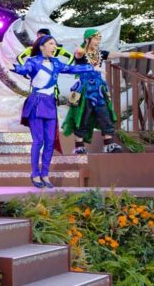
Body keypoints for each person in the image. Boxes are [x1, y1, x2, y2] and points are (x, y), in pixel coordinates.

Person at [11, 35, 95, 187]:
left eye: (55, 44)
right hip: (36, 103)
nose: (54, 46)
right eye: (51, 44)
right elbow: (26, 69)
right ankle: (35, 174)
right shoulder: (33, 61)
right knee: (38, 141)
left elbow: (71, 68)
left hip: (50, 103)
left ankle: (45, 174)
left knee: (50, 141)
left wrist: (90, 67)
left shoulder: (56, 62)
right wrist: (19, 69)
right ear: (41, 46)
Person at [61, 28, 154, 154]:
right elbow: (78, 53)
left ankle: (109, 144)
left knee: (105, 116)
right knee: (82, 116)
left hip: (99, 91)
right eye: (96, 39)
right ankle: (79, 147)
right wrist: (81, 49)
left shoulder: (101, 54)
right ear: (88, 39)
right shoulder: (81, 54)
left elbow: (122, 54)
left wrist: (142, 55)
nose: (98, 41)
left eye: (99, 39)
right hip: (84, 90)